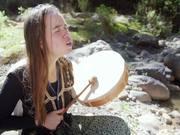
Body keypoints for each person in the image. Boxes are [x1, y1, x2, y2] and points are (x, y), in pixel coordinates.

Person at [0, 4, 130, 135]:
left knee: (118, 127)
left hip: (65, 128)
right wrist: (40, 121)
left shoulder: (65, 66)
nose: (66, 34)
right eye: (57, 30)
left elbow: (80, 93)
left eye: (65, 27)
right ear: (39, 41)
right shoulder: (18, 77)